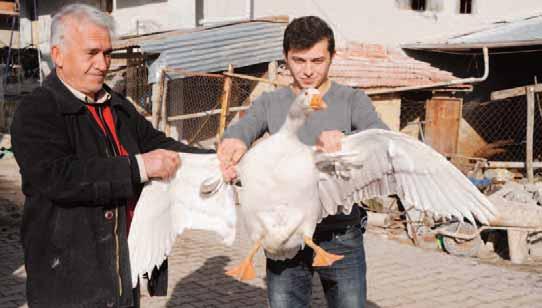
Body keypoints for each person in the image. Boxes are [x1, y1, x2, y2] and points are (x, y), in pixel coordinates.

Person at [11, 4, 210, 308]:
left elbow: (156, 142)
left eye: (107, 53)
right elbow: (60, 177)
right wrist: (138, 167)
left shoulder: (116, 105)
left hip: (119, 275)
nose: (102, 64)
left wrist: (216, 159)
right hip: (67, 283)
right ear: (58, 55)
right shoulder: (38, 110)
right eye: (91, 53)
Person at [218, 16, 388, 307]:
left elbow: (383, 139)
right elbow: (244, 128)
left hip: (341, 230)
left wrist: (346, 143)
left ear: (332, 57)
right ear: (285, 58)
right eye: (299, 60)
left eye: (317, 60)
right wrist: (234, 141)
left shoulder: (352, 100)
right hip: (285, 231)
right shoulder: (271, 102)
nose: (308, 71)